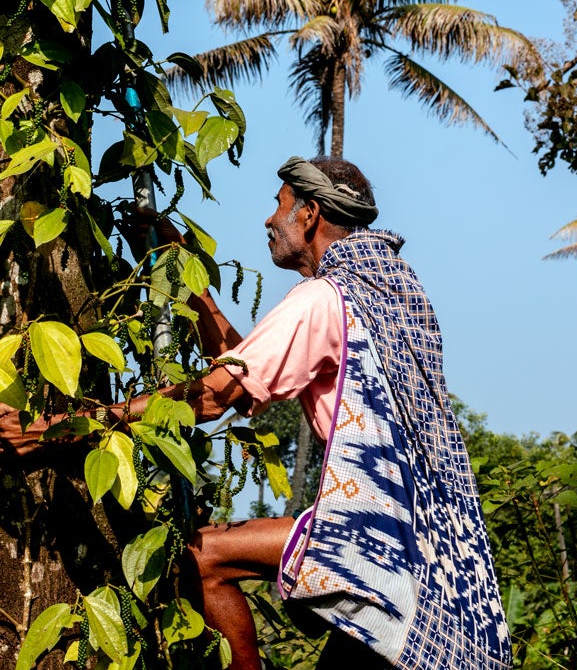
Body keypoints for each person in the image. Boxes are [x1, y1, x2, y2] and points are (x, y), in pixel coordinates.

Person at [0, 155, 512, 670]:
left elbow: (218, 394)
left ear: (309, 214)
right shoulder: (391, 290)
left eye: (279, 205)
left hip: (376, 539)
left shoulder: (323, 299)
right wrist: (192, 284)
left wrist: (54, 431)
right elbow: (248, 374)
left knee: (203, 560)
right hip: (430, 546)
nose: (270, 219)